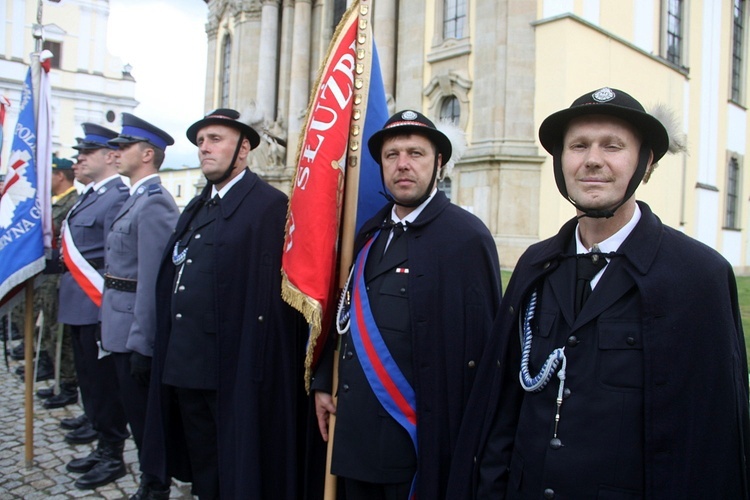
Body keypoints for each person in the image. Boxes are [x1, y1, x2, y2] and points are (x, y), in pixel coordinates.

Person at [447, 87, 750, 499]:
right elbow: (502, 410)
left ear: (645, 165)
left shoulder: (698, 277)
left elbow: (713, 442)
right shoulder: (535, 267)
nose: (593, 159)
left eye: (613, 146)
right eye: (578, 145)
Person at [311, 110, 502, 498]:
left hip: (414, 446)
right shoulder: (368, 232)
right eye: (391, 155)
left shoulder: (466, 239)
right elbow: (345, 317)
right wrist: (323, 384)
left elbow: (482, 356)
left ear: (439, 164)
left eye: (416, 153)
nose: (403, 165)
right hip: (353, 435)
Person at [140, 108, 307, 499]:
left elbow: (275, 301)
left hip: (234, 371)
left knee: (238, 463)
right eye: (200, 142)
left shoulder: (268, 207)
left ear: (243, 148)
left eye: (215, 139)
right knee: (203, 462)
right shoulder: (198, 207)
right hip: (186, 365)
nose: (204, 149)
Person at [99, 113, 179, 500]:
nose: (116, 153)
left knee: (145, 418)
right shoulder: (135, 200)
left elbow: (153, 281)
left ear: (147, 154)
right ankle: (151, 479)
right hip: (117, 324)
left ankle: (155, 484)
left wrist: (142, 342)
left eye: (123, 147)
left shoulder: (155, 205)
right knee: (134, 413)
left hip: (133, 330)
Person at [60, 123, 131, 490]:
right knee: (90, 382)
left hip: (96, 303)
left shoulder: (116, 195)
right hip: (79, 304)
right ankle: (100, 437)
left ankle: (111, 452)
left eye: (87, 152)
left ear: (109, 156)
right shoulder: (91, 195)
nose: (80, 159)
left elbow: (114, 260)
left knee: (104, 387)